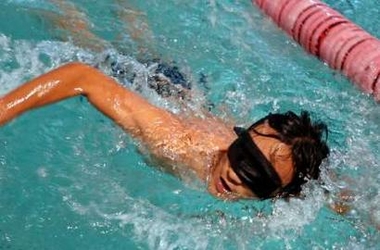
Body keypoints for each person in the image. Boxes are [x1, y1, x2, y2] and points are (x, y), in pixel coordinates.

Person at [0, 62, 329, 200]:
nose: (236, 177)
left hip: (201, 108)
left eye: (259, 178)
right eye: (242, 157)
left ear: (281, 192)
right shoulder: (175, 144)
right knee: (86, 35)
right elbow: (82, 77)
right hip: (163, 88)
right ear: (239, 139)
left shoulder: (289, 195)